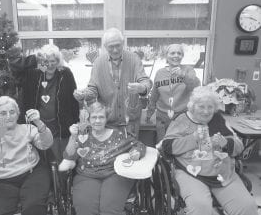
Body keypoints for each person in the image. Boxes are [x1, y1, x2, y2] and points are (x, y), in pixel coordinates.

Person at [158, 86, 258, 215]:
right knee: (200, 207)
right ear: (193, 106)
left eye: (210, 107)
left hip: (222, 172)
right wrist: (193, 139)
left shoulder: (218, 120)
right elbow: (168, 147)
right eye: (201, 106)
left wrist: (226, 143)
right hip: (191, 173)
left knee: (247, 207)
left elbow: (239, 146)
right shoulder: (182, 120)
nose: (206, 111)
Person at [0, 96, 54, 215]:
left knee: (34, 208)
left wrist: (39, 123)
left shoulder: (27, 128)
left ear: (18, 114)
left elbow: (46, 144)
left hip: (32, 174)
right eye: (3, 113)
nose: (8, 116)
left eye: (12, 112)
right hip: (0, 181)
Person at [61, 101, 146, 215]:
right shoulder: (82, 137)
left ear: (106, 119)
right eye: (94, 117)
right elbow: (69, 156)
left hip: (114, 175)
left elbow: (139, 145)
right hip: (86, 175)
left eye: (101, 117)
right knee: (86, 209)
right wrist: (73, 136)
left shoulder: (118, 135)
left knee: (109, 209)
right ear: (89, 119)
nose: (97, 121)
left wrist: (137, 152)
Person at [73, 28, 152, 136]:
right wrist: (84, 94)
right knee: (110, 151)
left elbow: (145, 81)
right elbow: (93, 89)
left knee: (132, 151)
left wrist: (142, 88)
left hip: (131, 121)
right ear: (105, 46)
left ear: (123, 43)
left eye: (118, 45)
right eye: (111, 46)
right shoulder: (98, 63)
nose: (115, 50)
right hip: (107, 121)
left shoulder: (134, 59)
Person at [12, 44, 79, 163]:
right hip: (37, 126)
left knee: (61, 160)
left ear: (58, 61)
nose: (50, 64)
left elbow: (73, 100)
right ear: (42, 62)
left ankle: (62, 181)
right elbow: (14, 67)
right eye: (46, 61)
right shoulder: (34, 74)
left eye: (53, 61)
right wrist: (34, 59)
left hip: (60, 127)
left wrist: (76, 123)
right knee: (42, 161)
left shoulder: (65, 73)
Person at [146, 44, 200, 142]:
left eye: (179, 53)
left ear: (182, 56)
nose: (176, 55)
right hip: (162, 118)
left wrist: (183, 76)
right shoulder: (160, 73)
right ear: (166, 55)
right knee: (162, 145)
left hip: (182, 117)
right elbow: (155, 94)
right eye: (172, 53)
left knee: (179, 146)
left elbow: (195, 87)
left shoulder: (188, 70)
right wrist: (149, 113)